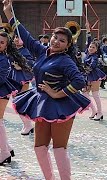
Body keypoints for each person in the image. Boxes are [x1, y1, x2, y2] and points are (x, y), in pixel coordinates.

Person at [3, 0, 90, 179]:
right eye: (55, 37)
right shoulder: (43, 51)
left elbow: (79, 81)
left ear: (68, 45)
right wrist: (9, 14)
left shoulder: (65, 60)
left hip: (62, 104)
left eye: (62, 40)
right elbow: (25, 36)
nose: (56, 41)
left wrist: (57, 92)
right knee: (39, 147)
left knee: (59, 148)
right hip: (42, 103)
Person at [0, 25, 22, 165]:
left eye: (2, 42)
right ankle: (7, 148)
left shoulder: (4, 59)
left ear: (6, 46)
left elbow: (1, 78)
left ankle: (4, 152)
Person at [11, 34, 35, 135]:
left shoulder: (26, 51)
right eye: (16, 37)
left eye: (20, 37)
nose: (17, 39)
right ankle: (27, 124)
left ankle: (28, 124)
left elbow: (31, 62)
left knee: (20, 101)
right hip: (13, 77)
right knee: (16, 101)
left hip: (22, 78)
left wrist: (20, 67)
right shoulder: (13, 50)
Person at [82, 22, 106, 121]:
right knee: (85, 94)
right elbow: (89, 40)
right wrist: (88, 30)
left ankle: (100, 113)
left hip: (94, 75)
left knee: (95, 95)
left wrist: (86, 70)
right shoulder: (87, 53)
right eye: (90, 47)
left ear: (96, 50)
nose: (91, 48)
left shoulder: (95, 57)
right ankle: (94, 110)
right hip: (87, 75)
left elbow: (93, 65)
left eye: (93, 47)